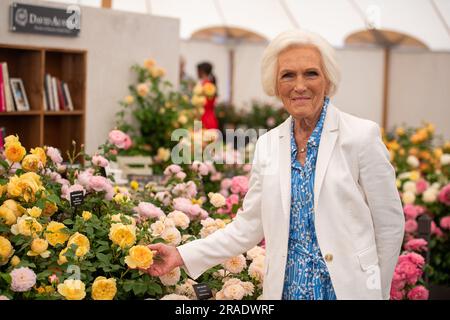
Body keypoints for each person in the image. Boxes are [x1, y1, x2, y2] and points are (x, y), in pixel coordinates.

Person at [144, 29, 405, 300]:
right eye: (288, 75)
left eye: (311, 73)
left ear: (327, 80)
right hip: (286, 291)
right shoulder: (268, 145)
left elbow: (389, 226)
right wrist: (181, 254)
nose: (299, 85)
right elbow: (247, 227)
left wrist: (376, 290)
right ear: (276, 85)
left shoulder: (361, 136)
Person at [197, 62, 219, 129]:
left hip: (204, 118)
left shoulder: (205, 85)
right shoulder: (210, 85)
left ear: (201, 71)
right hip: (210, 117)